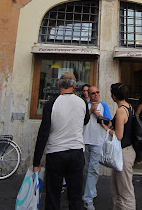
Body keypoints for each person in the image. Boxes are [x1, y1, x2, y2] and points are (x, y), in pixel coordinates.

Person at [33, 72, 90, 210]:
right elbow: (86, 120)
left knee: (53, 195)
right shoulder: (82, 102)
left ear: (58, 84)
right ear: (75, 85)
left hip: (55, 153)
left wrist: (36, 162)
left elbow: (43, 133)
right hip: (76, 152)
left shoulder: (50, 104)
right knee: (76, 196)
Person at [101, 83, 136, 210]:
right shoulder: (129, 107)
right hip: (125, 151)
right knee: (116, 188)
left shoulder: (121, 110)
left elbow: (119, 135)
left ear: (114, 96)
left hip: (123, 153)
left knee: (125, 191)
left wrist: (106, 129)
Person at [83, 86, 112, 210]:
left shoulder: (104, 106)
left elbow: (108, 122)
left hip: (97, 141)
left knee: (93, 169)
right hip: (84, 141)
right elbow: (81, 121)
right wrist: (90, 111)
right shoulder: (84, 105)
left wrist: (96, 112)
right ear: (89, 95)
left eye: (97, 92)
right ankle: (90, 191)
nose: (95, 95)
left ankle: (88, 199)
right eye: (93, 93)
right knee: (86, 168)